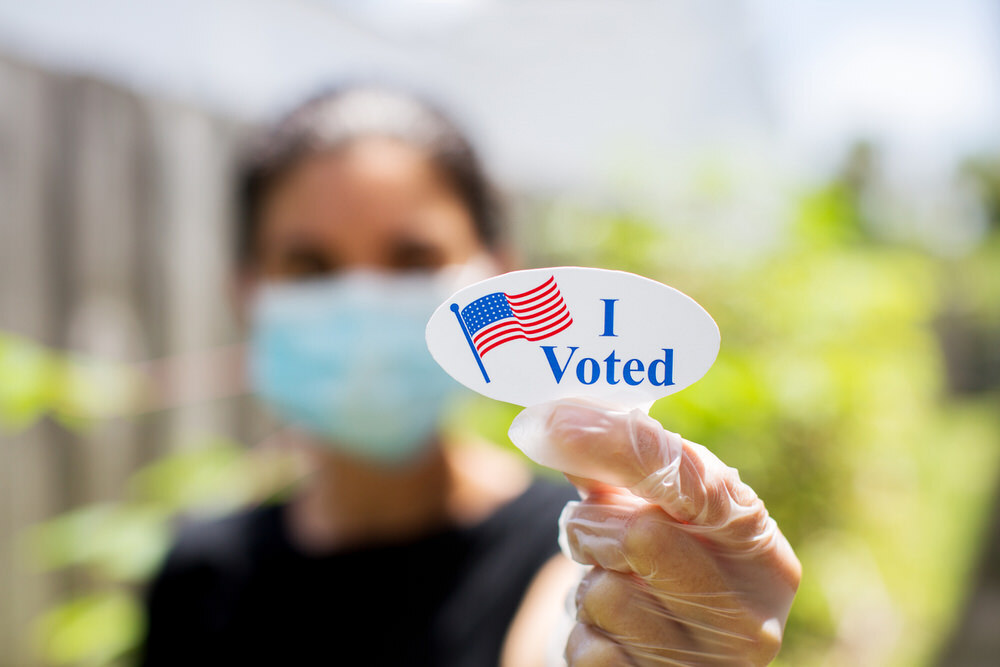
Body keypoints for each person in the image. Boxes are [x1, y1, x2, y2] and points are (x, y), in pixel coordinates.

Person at [140, 85, 800, 666]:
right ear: (248, 290)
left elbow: (562, 635)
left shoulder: (579, 545)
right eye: (312, 266)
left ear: (498, 276)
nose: (365, 306)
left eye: (412, 259)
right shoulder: (199, 574)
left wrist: (641, 640)